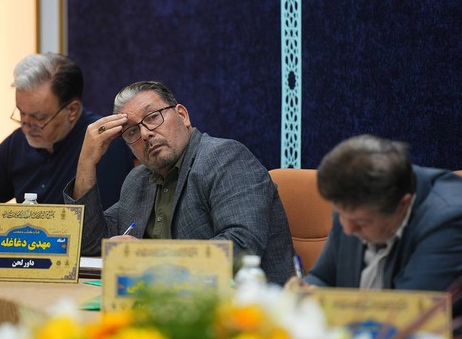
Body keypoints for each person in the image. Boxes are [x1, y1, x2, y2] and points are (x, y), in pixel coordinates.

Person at [63, 81, 295, 285]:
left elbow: (241, 247)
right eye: (132, 131)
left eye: (153, 117)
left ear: (182, 115)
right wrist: (86, 163)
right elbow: (90, 245)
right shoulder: (138, 180)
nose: (145, 134)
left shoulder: (225, 158)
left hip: (245, 308)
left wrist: (148, 256)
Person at [292, 134, 462, 319]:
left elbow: (402, 315)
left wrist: (325, 307)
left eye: (362, 222)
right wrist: (306, 293)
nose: (348, 230)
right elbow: (323, 278)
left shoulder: (452, 221)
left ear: (403, 205)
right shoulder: (352, 203)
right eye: (339, 214)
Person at [0, 52, 134, 226]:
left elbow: (96, 223)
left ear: (72, 110)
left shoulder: (105, 143)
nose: (26, 126)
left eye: (39, 117)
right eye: (22, 113)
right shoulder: (19, 141)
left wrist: (4, 217)